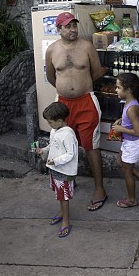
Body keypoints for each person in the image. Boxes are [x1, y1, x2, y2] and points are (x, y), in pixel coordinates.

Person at [45, 12, 108, 211]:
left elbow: (96, 72)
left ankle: (100, 189)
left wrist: (80, 86)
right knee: (63, 144)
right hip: (63, 104)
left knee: (91, 146)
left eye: (74, 25)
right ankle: (68, 179)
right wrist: (66, 89)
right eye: (67, 26)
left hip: (86, 102)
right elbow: (51, 76)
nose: (72, 30)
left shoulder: (87, 46)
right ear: (59, 29)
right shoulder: (52, 50)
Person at [111, 73, 139, 208]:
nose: (116, 90)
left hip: (133, 143)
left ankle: (131, 200)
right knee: (120, 162)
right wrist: (121, 121)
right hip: (129, 142)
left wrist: (121, 129)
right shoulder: (129, 102)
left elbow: (138, 131)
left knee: (127, 171)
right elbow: (130, 122)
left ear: (128, 89)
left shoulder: (131, 108)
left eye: (118, 87)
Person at [35, 102, 78, 238]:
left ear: (60, 120)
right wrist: (43, 150)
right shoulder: (55, 131)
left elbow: (71, 154)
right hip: (54, 168)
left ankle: (66, 220)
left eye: (50, 122)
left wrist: (56, 161)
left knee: (64, 196)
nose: (49, 125)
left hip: (63, 170)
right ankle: (62, 213)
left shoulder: (68, 134)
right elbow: (52, 145)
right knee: (59, 194)